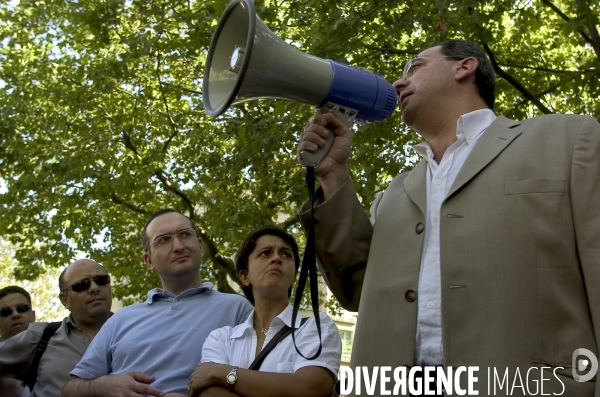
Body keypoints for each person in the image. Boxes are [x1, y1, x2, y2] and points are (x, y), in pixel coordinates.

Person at [297, 39, 600, 396]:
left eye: (415, 66)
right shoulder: (392, 195)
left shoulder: (567, 139)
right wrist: (334, 175)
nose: (397, 83)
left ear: (464, 67)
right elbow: (356, 291)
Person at [62, 209, 253, 397]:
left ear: (200, 246)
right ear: (148, 260)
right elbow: (70, 389)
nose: (178, 246)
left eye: (185, 234)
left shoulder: (238, 309)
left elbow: (263, 381)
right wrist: (105, 386)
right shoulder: (120, 320)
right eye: (163, 240)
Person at [187, 225, 341, 397]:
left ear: (294, 277)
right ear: (244, 276)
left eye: (286, 254)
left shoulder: (317, 327)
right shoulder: (221, 339)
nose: (276, 258)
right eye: (265, 253)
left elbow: (311, 389)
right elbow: (209, 394)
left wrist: (221, 372)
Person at [0, 259, 113, 397]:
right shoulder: (41, 336)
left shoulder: (136, 330)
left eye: (101, 280)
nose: (94, 288)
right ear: (65, 299)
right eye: (81, 285)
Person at [0, 286, 36, 397]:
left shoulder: (55, 341)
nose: (15, 314)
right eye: (6, 312)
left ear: (33, 315)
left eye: (22, 308)